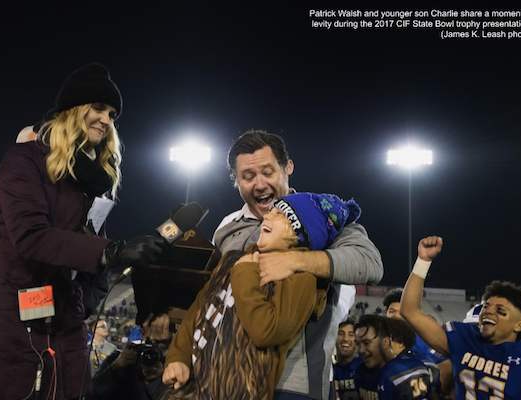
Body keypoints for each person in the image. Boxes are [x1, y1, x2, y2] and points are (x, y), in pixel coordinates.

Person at [0, 63, 167, 400]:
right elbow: (30, 236)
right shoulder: (24, 160)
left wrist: (89, 296)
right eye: (98, 108)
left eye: (112, 114)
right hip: (12, 315)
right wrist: (111, 251)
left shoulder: (93, 183)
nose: (106, 119)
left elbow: (90, 243)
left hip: (65, 318)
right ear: (72, 110)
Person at [213, 130, 383, 399]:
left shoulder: (322, 217)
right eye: (248, 177)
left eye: (267, 172)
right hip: (227, 378)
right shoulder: (227, 227)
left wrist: (294, 259)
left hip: (293, 384)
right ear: (236, 181)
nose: (259, 184)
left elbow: (369, 262)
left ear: (287, 168)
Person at [163, 192, 362, 399]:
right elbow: (198, 311)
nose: (267, 216)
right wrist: (178, 357)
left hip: (240, 392)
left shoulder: (302, 278)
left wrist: (246, 273)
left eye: (279, 215)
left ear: (300, 234)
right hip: (191, 386)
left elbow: (267, 331)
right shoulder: (232, 259)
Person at [400, 236, 521, 399]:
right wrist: (423, 261)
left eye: (500, 310)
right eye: (487, 306)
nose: (488, 311)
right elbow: (410, 311)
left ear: (519, 325)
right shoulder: (464, 338)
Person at [91, 314, 171, 400]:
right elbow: (92, 392)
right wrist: (116, 367)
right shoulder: (122, 358)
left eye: (161, 343)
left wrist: (157, 381)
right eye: (149, 340)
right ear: (142, 333)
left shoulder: (170, 363)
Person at [354, 315, 431, 399]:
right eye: (357, 344)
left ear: (385, 342)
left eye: (367, 343)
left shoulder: (404, 371)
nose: (361, 350)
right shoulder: (360, 371)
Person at [384, 288, 445, 364]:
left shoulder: (424, 341)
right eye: (392, 311)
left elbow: (444, 365)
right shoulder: (377, 340)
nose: (396, 316)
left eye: (401, 313)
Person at [331, 319, 362, 400]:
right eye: (341, 333)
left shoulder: (363, 367)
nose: (345, 339)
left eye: (351, 334)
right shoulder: (328, 369)